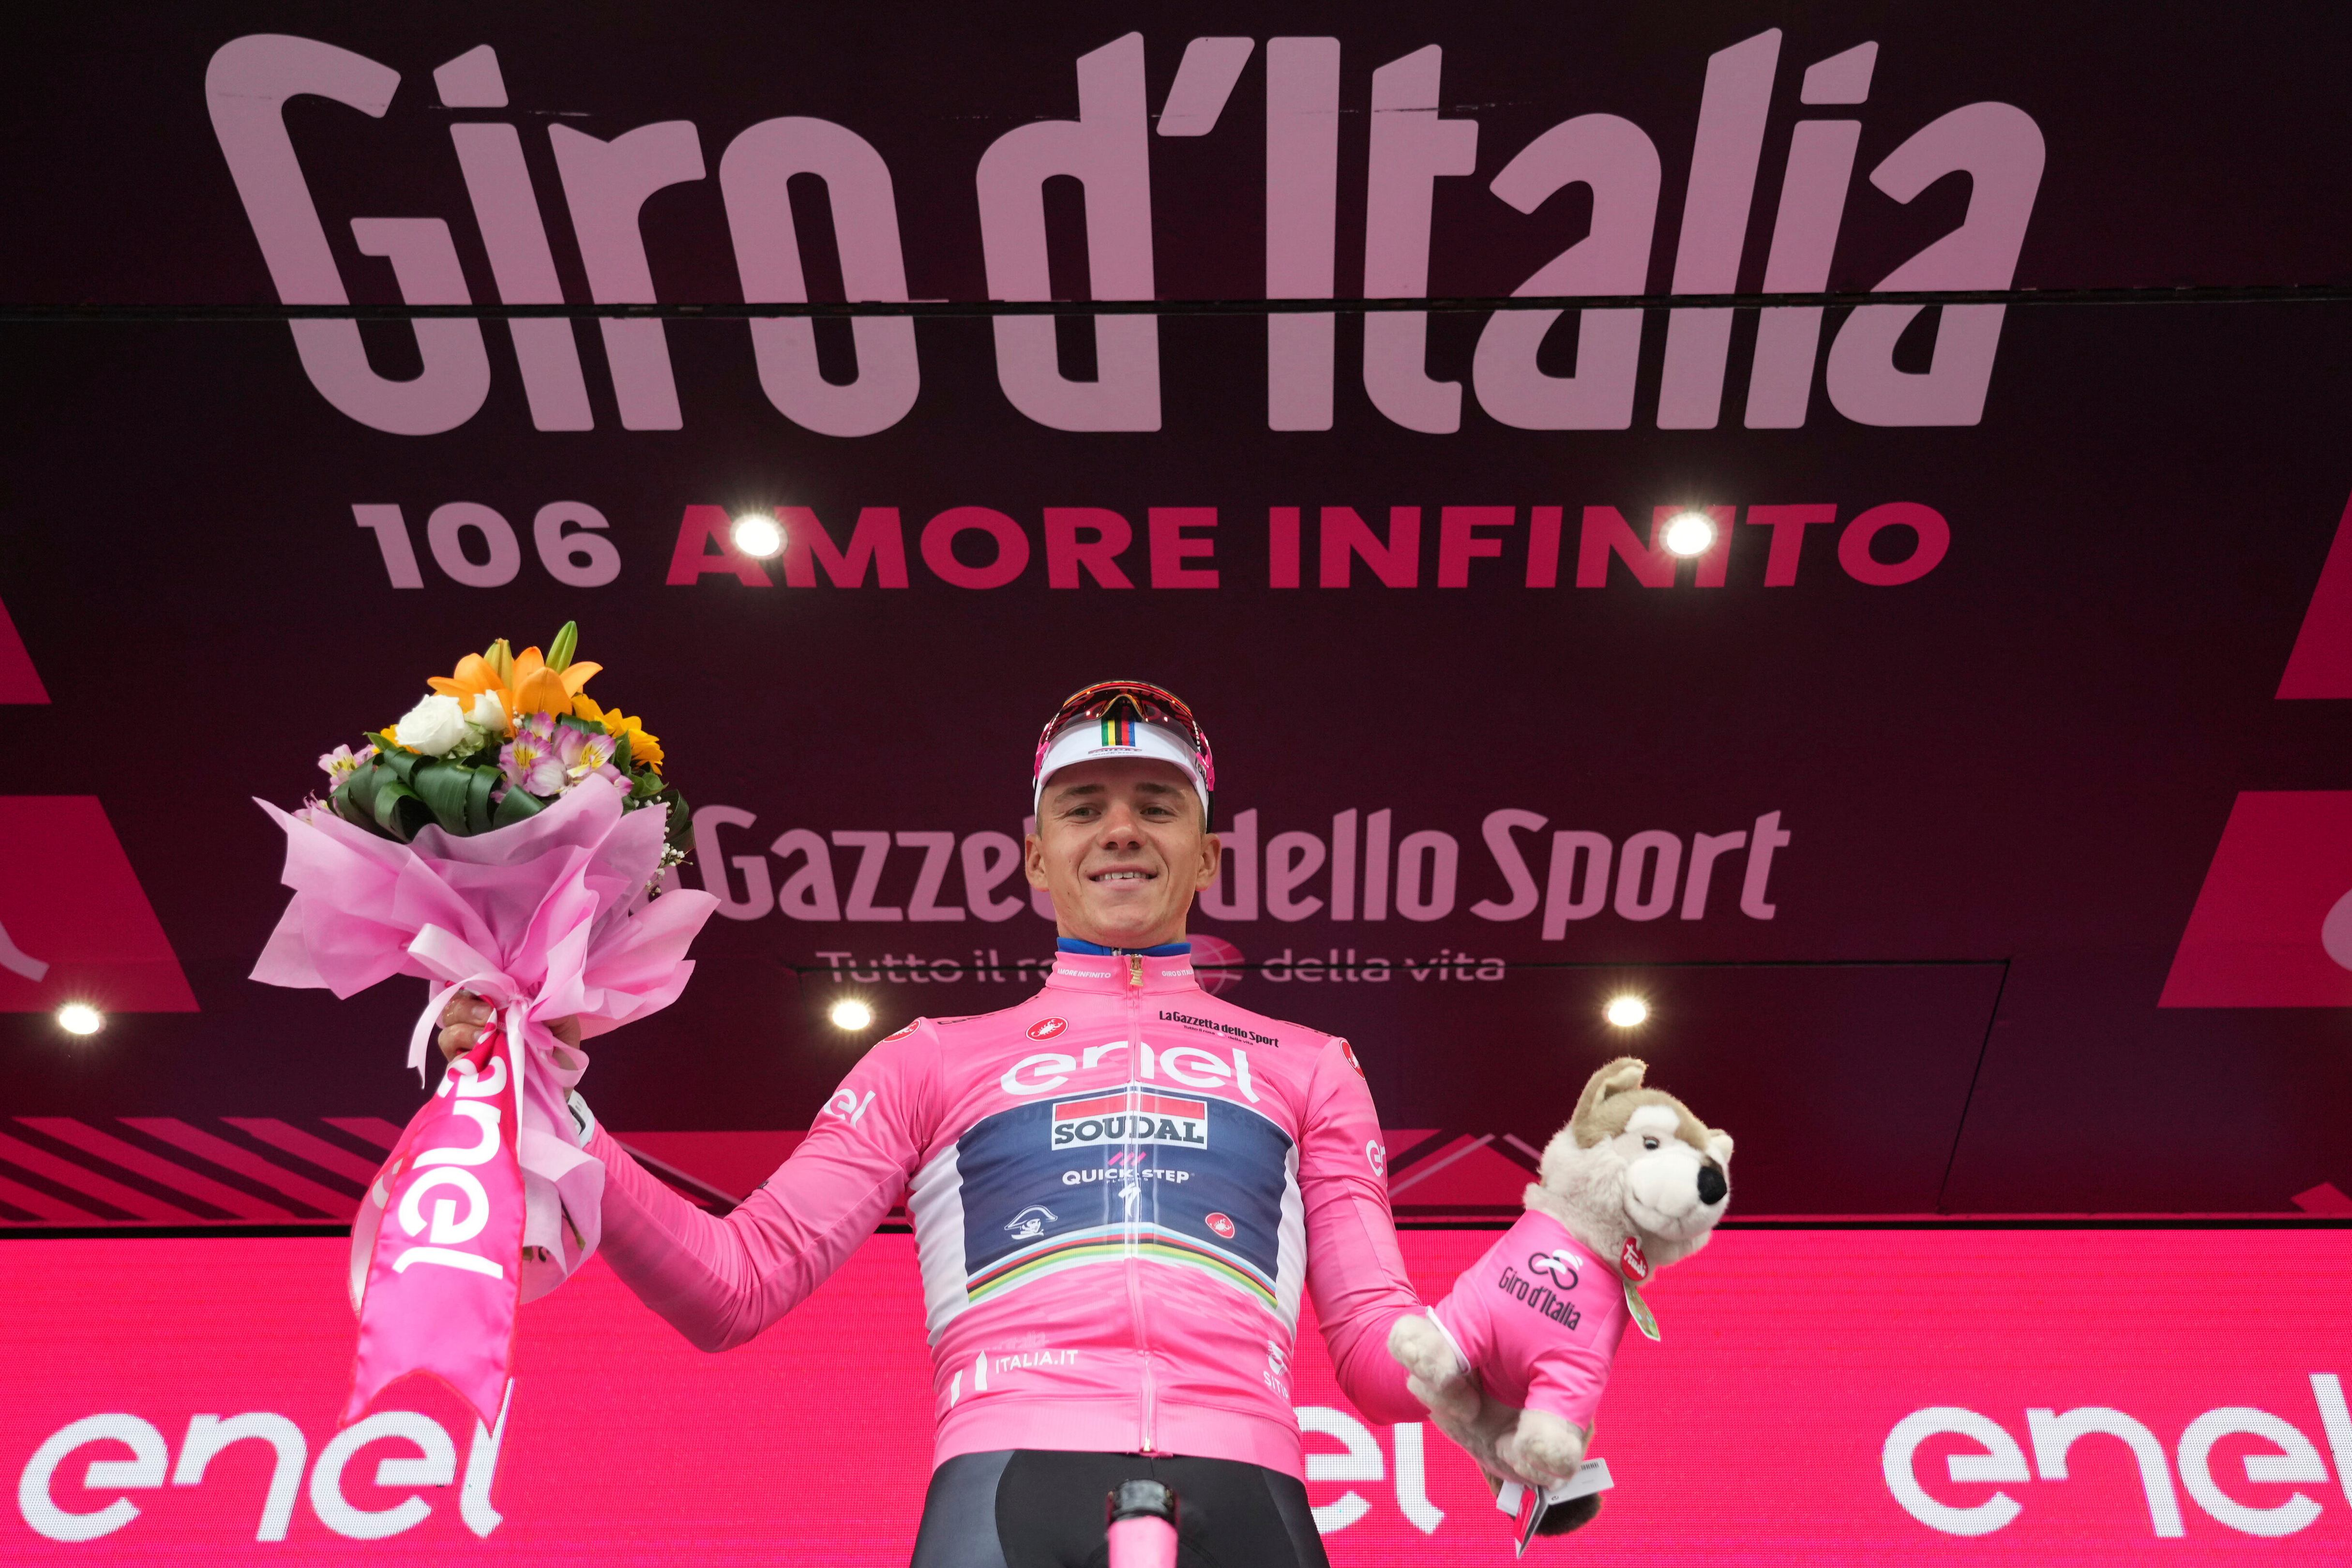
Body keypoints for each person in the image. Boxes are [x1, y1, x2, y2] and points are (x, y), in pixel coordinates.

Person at [437, 680, 1538, 1565]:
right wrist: (553, 1114)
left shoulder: (1313, 1066)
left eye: (1158, 807)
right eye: (1084, 807)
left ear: (1208, 857)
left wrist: (1525, 1307)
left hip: (1251, 1490)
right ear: (1034, 855)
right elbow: (737, 1284)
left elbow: (1379, 1360)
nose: (1121, 830)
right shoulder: (929, 1060)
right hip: (1007, 1487)